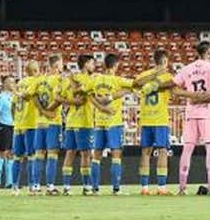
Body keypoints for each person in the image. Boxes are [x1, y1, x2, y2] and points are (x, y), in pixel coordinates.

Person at [173, 41, 210, 195]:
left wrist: (191, 95)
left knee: (187, 149)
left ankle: (182, 187)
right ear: (208, 52)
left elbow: (174, 88)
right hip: (207, 114)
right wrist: (207, 97)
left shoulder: (186, 68)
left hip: (191, 113)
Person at [90, 53, 139, 194]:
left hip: (99, 122)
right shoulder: (118, 80)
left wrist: (100, 107)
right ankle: (116, 189)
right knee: (116, 154)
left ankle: (95, 189)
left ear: (105, 65)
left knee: (96, 155)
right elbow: (135, 84)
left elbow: (87, 93)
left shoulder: (95, 79)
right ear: (116, 65)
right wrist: (124, 91)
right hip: (113, 122)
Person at [136, 50, 176, 195]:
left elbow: (136, 83)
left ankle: (144, 188)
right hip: (160, 119)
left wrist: (152, 80)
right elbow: (173, 85)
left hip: (146, 119)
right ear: (165, 61)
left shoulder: (145, 75)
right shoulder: (167, 76)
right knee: (163, 151)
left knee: (145, 152)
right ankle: (161, 187)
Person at [61, 55, 96, 195]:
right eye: (92, 63)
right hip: (84, 122)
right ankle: (87, 186)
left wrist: (69, 103)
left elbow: (61, 97)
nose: (94, 66)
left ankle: (66, 187)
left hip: (70, 122)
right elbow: (83, 95)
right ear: (86, 64)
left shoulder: (69, 79)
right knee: (86, 154)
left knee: (70, 153)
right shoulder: (89, 80)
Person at [32, 54, 66, 194]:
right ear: (57, 65)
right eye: (62, 64)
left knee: (39, 153)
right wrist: (48, 111)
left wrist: (42, 111)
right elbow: (59, 99)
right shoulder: (59, 79)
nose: (63, 67)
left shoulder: (39, 79)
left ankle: (35, 185)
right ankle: (50, 186)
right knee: (52, 154)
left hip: (39, 122)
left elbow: (32, 96)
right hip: (53, 122)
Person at [16, 60, 43, 194]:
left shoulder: (20, 83)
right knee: (32, 155)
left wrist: (16, 120)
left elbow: (13, 105)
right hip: (31, 122)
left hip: (18, 124)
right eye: (38, 70)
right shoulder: (35, 82)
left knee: (17, 156)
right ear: (34, 71)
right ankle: (32, 185)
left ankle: (15, 187)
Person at [0, 76, 15, 189]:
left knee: (10, 154)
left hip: (13, 126)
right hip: (4, 127)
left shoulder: (14, 97)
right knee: (2, 153)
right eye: (10, 82)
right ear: (4, 84)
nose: (13, 84)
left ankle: (9, 181)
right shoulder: (1, 98)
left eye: (13, 82)